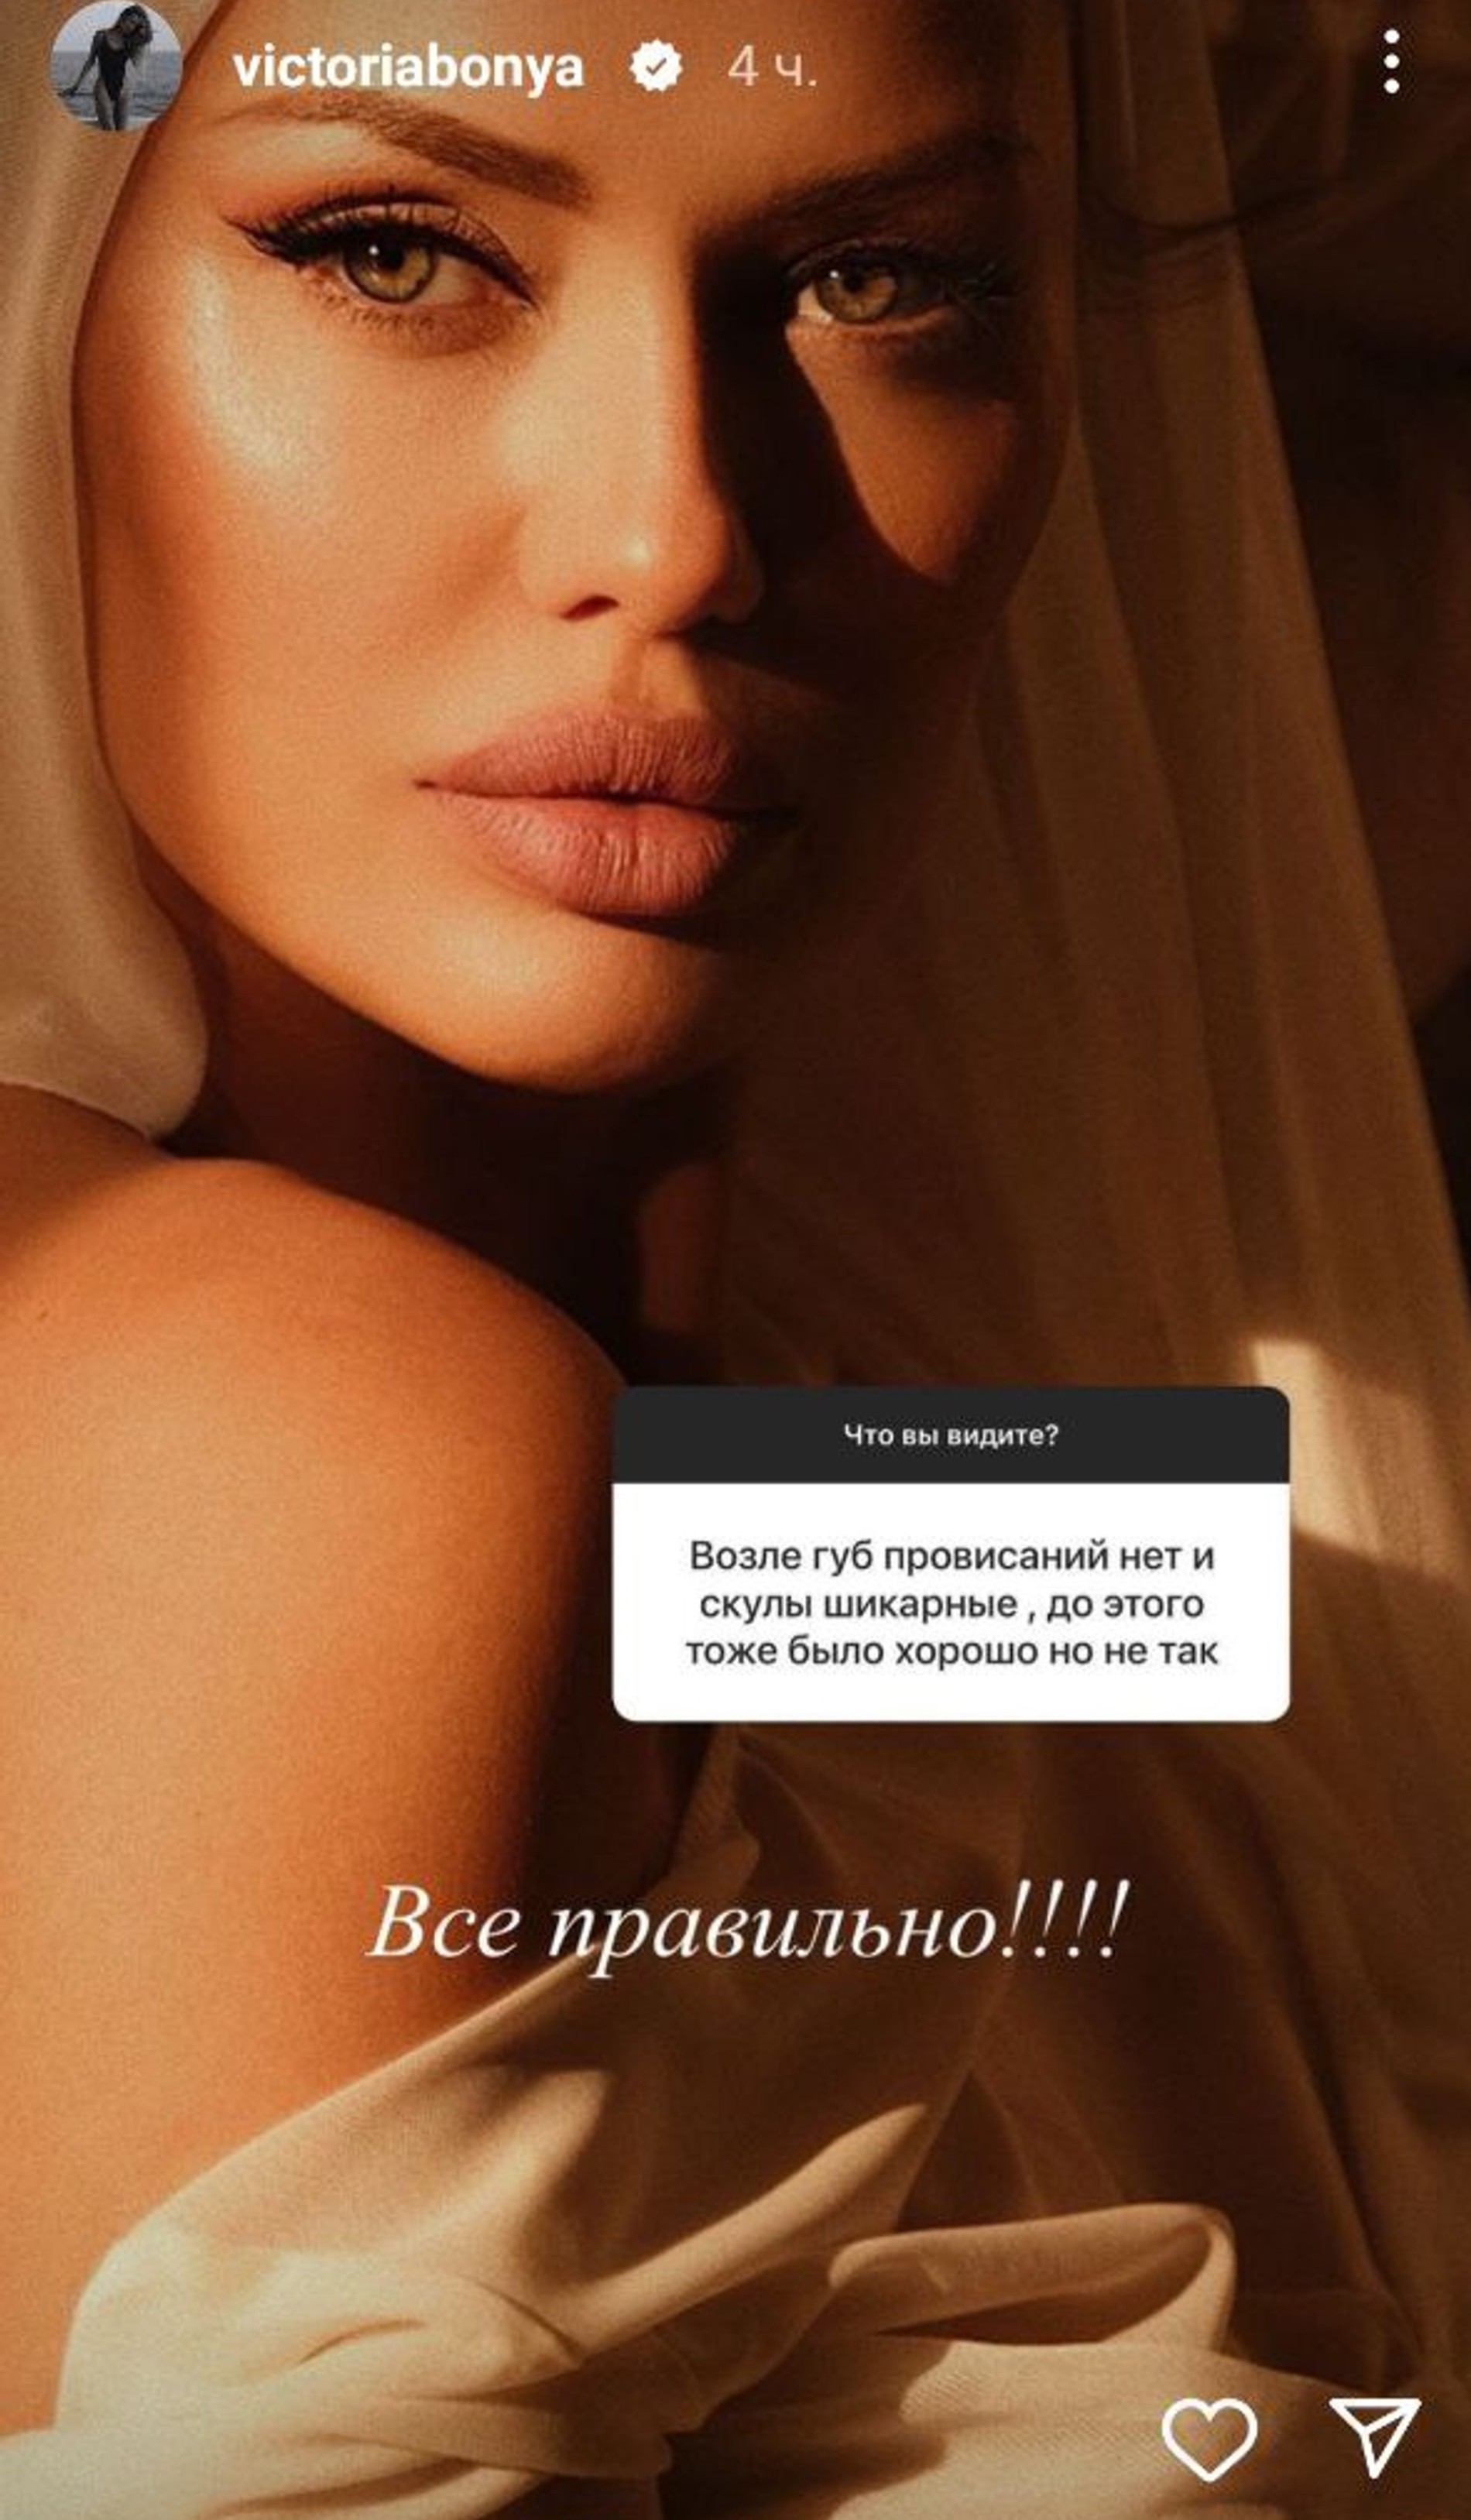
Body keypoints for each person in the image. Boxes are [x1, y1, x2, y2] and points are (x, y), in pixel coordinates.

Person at [2, 0, 1469, 2512]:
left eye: (884, 280)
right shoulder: (290, 1428)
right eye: (390, 249)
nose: (678, 532)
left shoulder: (930, 1432)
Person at [62, 6, 153, 130]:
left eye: (135, 25)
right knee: (109, 129)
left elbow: (146, 42)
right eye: (131, 21)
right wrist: (76, 85)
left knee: (122, 131)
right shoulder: (101, 36)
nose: (131, 27)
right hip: (103, 87)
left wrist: (144, 30)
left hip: (125, 89)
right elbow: (90, 61)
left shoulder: (131, 41)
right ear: (122, 18)